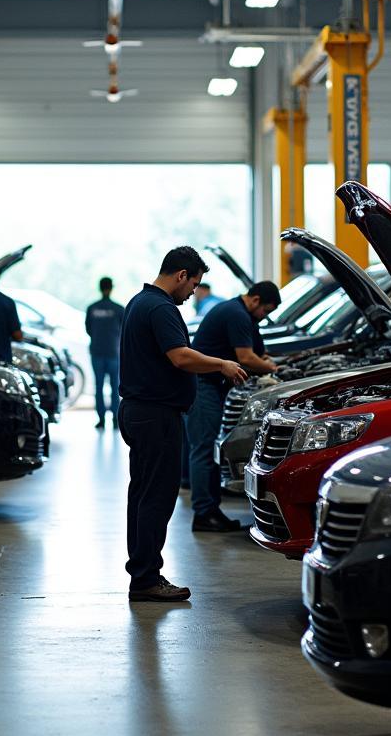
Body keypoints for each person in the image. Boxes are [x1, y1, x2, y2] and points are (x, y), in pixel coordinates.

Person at [118, 246, 248, 603]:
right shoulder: (161, 307)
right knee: (156, 498)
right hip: (155, 415)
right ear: (180, 275)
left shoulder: (138, 302)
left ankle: (142, 574)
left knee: (143, 495)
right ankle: (146, 579)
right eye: (193, 283)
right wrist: (221, 364)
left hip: (139, 411)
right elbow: (180, 356)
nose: (194, 291)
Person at [188, 281, 281, 532]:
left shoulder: (240, 313)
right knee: (204, 449)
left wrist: (266, 361)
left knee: (207, 449)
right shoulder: (236, 313)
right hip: (203, 385)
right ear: (255, 299)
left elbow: (256, 353)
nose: (265, 316)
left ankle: (210, 511)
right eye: (266, 310)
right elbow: (246, 358)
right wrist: (274, 368)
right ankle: (204, 514)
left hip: (213, 387)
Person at [85, 276, 124, 431]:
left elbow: (88, 329)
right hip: (113, 352)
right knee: (115, 387)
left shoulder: (92, 308)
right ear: (111, 288)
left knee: (99, 386)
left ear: (100, 288)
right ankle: (115, 419)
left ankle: (101, 420)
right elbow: (124, 329)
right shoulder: (119, 308)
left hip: (97, 352)